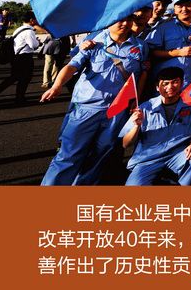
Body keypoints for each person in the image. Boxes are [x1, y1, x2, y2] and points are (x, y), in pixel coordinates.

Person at [40, 15, 148, 185]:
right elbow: (72, 66)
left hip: (116, 112)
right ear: (109, 21)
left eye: (128, 19)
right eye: (120, 19)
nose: (125, 23)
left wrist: (135, 100)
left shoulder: (140, 46)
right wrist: (57, 85)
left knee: (100, 155)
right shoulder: (94, 42)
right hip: (87, 109)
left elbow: (140, 75)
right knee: (69, 155)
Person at [120, 67, 191, 185]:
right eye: (165, 84)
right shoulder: (144, 108)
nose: (170, 87)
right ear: (157, 87)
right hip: (148, 159)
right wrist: (137, 126)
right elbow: (126, 143)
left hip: (178, 154)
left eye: (175, 82)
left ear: (182, 83)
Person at [145, 0, 191, 89]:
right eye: (180, 6)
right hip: (167, 82)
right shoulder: (164, 26)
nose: (184, 9)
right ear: (175, 9)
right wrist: (177, 52)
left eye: (188, 5)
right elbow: (152, 52)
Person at [0, 13, 40, 105]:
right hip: (25, 57)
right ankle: (20, 98)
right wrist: (38, 42)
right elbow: (33, 45)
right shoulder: (29, 31)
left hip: (16, 56)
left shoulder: (19, 29)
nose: (36, 21)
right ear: (31, 20)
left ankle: (20, 98)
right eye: (35, 19)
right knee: (25, 78)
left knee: (14, 77)